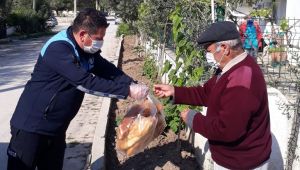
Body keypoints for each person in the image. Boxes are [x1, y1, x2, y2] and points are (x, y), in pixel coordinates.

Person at [7, 8, 148, 170]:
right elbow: (85, 83)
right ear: (82, 35)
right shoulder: (58, 49)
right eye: (98, 38)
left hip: (57, 129)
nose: (100, 41)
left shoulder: (86, 50)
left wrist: (132, 83)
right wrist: (127, 91)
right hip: (31, 128)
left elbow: (106, 69)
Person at [154, 21, 271, 169]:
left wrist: (193, 119)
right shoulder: (229, 68)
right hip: (233, 159)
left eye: (208, 51)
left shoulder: (242, 80)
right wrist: (174, 91)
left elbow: (227, 130)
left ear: (224, 48)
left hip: (242, 163)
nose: (207, 56)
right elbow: (205, 93)